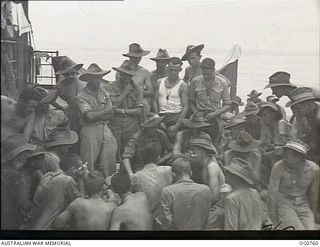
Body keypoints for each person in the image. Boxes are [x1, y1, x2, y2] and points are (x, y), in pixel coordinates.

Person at [23, 153, 85, 230]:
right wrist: (81, 179)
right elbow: (83, 206)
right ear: (73, 169)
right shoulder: (67, 180)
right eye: (81, 166)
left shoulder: (48, 175)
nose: (84, 169)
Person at [267, 139, 319, 230]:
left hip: (303, 204)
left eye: (287, 156)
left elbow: (314, 194)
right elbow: (271, 195)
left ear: (298, 157)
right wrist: (274, 221)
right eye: (284, 155)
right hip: (284, 202)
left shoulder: (314, 170)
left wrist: (312, 214)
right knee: (297, 230)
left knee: (310, 229)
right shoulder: (279, 167)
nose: (284, 159)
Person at [77, 63, 117, 177]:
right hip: (89, 128)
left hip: (104, 126)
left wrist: (98, 115)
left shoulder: (104, 92)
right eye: (95, 77)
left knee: (110, 152)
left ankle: (108, 180)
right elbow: (89, 117)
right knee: (88, 159)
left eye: (100, 77)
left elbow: (111, 114)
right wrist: (105, 111)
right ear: (89, 79)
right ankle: (86, 182)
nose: (99, 80)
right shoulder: (82, 95)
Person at [156, 158, 212, 230]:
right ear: (191, 173)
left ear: (173, 175)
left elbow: (165, 221)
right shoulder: (206, 190)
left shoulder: (167, 191)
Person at [106, 60, 144, 159]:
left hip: (131, 123)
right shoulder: (111, 86)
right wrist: (125, 92)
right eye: (125, 74)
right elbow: (113, 105)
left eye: (130, 75)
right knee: (114, 149)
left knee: (128, 151)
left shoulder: (137, 89)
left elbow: (138, 110)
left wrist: (122, 111)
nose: (127, 77)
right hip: (115, 123)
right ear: (121, 74)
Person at [188, 58, 232, 146]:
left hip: (215, 116)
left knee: (215, 139)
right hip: (198, 115)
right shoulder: (195, 81)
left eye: (208, 74)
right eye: (204, 74)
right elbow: (190, 102)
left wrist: (215, 114)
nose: (206, 76)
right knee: (194, 140)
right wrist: (196, 113)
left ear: (213, 70)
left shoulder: (223, 83)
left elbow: (227, 105)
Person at [53, 171, 119, 230]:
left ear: (86, 189)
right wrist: (110, 194)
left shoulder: (78, 203)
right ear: (103, 187)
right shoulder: (111, 206)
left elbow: (58, 224)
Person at [42, 57, 85, 136]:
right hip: (72, 113)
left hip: (86, 112)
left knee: (85, 135)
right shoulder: (61, 85)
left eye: (72, 73)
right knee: (74, 134)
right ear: (63, 74)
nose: (70, 76)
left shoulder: (84, 80)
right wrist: (62, 108)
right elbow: (49, 99)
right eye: (67, 74)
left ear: (76, 71)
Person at [1, 134, 37, 229]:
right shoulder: (12, 174)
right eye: (26, 152)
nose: (28, 155)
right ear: (17, 156)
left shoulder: (8, 170)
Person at [132, 146, 172, 218]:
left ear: (142, 159)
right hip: (166, 218)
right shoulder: (168, 170)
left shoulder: (136, 177)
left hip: (146, 220)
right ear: (158, 158)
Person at [153, 57, 189, 139]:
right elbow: (154, 101)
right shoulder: (159, 82)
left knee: (174, 139)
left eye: (175, 70)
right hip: (161, 115)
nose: (173, 73)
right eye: (171, 70)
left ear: (180, 70)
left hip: (175, 116)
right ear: (167, 68)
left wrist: (177, 125)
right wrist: (157, 117)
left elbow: (186, 107)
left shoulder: (183, 85)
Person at [224, 158, 263, 230]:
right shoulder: (255, 192)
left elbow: (231, 228)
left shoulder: (231, 198)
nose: (226, 174)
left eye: (229, 172)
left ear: (236, 177)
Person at [187, 133, 225, 203]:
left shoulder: (212, 166)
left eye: (193, 152)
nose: (191, 154)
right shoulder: (200, 164)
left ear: (202, 152)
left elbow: (214, 196)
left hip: (220, 203)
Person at [286, 87, 320, 164]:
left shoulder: (318, 119)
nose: (296, 112)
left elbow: (314, 145)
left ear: (309, 104)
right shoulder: (310, 113)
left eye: (298, 108)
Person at [120, 43, 153, 115]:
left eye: (139, 57)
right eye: (134, 57)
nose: (137, 59)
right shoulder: (121, 71)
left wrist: (136, 92)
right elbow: (117, 87)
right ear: (129, 57)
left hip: (139, 100)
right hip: (124, 98)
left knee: (144, 104)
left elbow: (150, 91)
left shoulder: (145, 72)